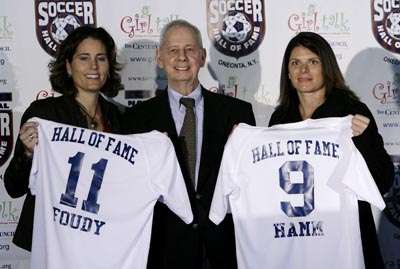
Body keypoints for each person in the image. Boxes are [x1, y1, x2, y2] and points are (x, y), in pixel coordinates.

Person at [124, 19, 255, 269]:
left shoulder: (238, 112)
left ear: (202, 56)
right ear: (159, 58)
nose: (182, 57)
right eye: (173, 50)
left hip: (223, 248)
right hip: (163, 249)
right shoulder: (136, 119)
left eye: (190, 49)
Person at [268, 31, 394, 268]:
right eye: (295, 63)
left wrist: (365, 141)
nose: (303, 70)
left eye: (312, 62)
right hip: (297, 240)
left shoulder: (352, 112)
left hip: (346, 239)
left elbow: (384, 180)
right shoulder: (280, 119)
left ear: (326, 67)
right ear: (287, 72)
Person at [4, 25, 124, 252]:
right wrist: (28, 153)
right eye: (83, 58)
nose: (94, 67)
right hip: (54, 241)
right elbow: (13, 187)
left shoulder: (120, 118)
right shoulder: (44, 114)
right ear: (68, 66)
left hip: (102, 239)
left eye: (101, 58)